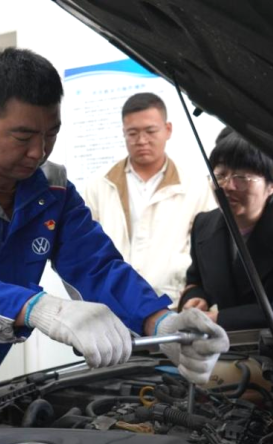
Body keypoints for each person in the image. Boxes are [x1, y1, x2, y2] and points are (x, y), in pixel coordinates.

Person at [0, 47, 230, 426]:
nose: (38, 152)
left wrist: (160, 322)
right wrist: (39, 307)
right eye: (23, 136)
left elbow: (96, 266)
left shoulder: (53, 190)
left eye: (50, 134)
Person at [179, 131, 273, 330]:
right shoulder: (204, 224)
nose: (228, 186)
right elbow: (196, 279)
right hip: (219, 344)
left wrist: (222, 319)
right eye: (220, 175)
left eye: (242, 177)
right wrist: (195, 297)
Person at [83, 93, 214, 306]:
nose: (142, 141)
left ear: (168, 129)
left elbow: (208, 249)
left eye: (150, 131)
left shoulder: (195, 184)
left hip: (174, 304)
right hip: (112, 305)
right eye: (133, 133)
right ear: (123, 133)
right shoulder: (99, 184)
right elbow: (86, 246)